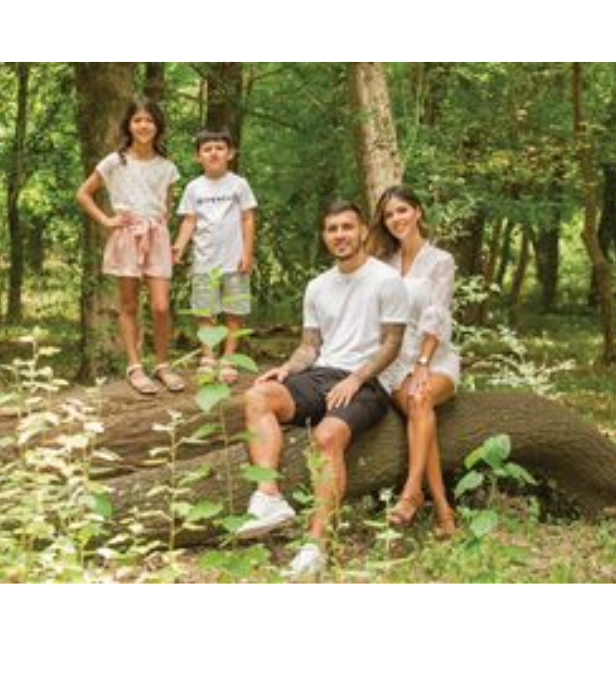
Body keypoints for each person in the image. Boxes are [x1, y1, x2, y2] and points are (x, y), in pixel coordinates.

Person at [239, 200, 410, 578]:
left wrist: (357, 377)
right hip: (321, 373)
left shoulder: (386, 280)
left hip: (368, 383)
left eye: (347, 227)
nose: (340, 236)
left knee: (327, 435)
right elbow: (310, 346)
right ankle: (268, 497)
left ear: (363, 230)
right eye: (332, 230)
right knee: (257, 396)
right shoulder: (318, 286)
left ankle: (315, 547)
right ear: (325, 236)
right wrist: (286, 368)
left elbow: (392, 343)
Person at [368, 186, 461, 538]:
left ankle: (411, 492)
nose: (396, 219)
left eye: (402, 211)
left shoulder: (440, 261)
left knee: (421, 398)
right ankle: (442, 509)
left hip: (434, 356)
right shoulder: (380, 264)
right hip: (394, 362)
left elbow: (436, 314)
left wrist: (423, 362)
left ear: (418, 212)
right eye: (389, 215)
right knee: (419, 409)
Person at [76, 97, 186, 395]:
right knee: (128, 304)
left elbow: (165, 204)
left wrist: (163, 231)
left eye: (149, 120)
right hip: (127, 235)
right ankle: (135, 367)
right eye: (137, 120)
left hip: (157, 236)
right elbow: (83, 193)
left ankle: (162, 365)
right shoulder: (115, 161)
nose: (143, 125)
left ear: (157, 126)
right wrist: (107, 220)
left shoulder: (167, 167)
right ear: (128, 124)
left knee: (161, 306)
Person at [172, 130, 257, 385]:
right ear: (199, 156)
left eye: (219, 148)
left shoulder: (238, 184)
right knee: (204, 312)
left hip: (234, 260)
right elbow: (189, 220)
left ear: (230, 153)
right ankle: (208, 358)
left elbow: (248, 218)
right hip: (204, 261)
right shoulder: (193, 187)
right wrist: (178, 246)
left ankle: (229, 359)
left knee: (234, 311)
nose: (214, 153)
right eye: (207, 149)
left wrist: (248, 253)